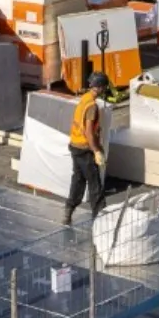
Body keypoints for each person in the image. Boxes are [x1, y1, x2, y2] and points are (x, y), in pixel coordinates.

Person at [63, 72, 109, 227]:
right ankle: (100, 219)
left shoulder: (85, 99)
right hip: (85, 149)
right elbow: (89, 132)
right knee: (95, 184)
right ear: (100, 87)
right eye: (104, 87)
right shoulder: (92, 107)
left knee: (78, 180)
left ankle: (68, 211)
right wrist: (96, 151)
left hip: (75, 145)